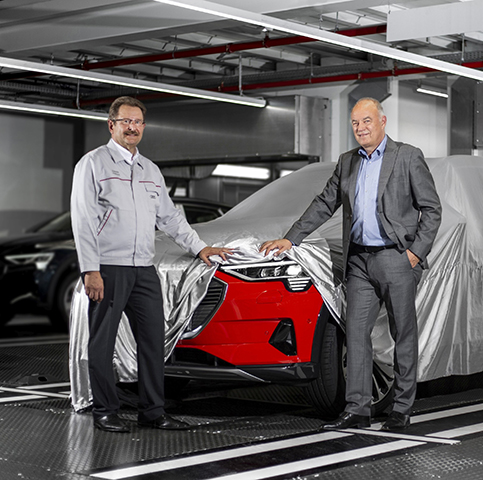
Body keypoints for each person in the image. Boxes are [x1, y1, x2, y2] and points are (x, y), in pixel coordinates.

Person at [261, 97, 441, 431]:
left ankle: (401, 409)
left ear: (382, 122)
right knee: (356, 334)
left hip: (395, 257)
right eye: (355, 123)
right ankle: (358, 409)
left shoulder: (407, 156)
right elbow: (324, 202)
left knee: (403, 334)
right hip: (358, 260)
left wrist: (414, 253)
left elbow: (431, 209)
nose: (360, 128)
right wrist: (291, 238)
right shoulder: (348, 161)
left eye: (367, 121)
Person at [71, 96, 232, 433]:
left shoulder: (150, 170)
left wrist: (200, 248)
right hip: (108, 267)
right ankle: (105, 410)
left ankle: (153, 411)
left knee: (153, 341)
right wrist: (90, 269)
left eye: (138, 122)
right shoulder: (93, 164)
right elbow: (83, 219)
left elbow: (170, 218)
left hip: (144, 269)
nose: (132, 128)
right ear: (111, 125)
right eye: (126, 121)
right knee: (102, 342)